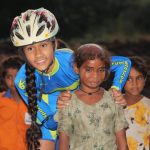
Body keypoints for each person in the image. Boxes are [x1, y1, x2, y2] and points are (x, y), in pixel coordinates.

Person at [10, 8, 131, 150]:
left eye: (43, 45)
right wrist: (61, 110)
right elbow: (48, 123)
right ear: (23, 53)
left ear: (54, 44)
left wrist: (116, 88)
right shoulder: (22, 80)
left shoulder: (70, 61)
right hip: (53, 118)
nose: (38, 55)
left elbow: (123, 63)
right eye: (30, 49)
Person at [55, 43, 128, 150]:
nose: (95, 76)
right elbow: (63, 144)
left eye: (101, 70)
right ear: (76, 68)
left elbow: (122, 143)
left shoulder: (114, 99)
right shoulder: (68, 102)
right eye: (89, 70)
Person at [0, 56, 29, 150]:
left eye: (17, 76)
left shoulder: (33, 102)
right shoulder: (1, 100)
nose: (13, 81)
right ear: (3, 79)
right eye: (9, 77)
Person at [123, 56, 150, 150]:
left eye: (138, 78)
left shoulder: (148, 106)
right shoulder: (111, 104)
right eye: (129, 79)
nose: (134, 83)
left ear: (145, 79)